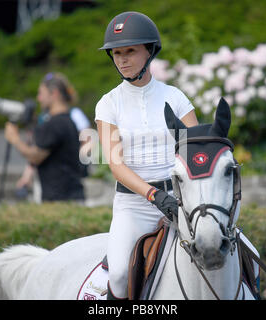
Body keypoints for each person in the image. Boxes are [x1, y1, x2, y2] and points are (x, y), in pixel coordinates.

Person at [95, 11, 198, 300]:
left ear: (150, 51)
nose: (123, 59)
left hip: (181, 200)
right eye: (116, 53)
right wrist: (153, 195)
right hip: (134, 205)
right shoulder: (108, 104)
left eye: (130, 51)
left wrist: (185, 193)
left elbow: (195, 149)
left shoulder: (175, 97)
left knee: (236, 250)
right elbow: (117, 165)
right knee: (117, 276)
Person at [5, 72, 85, 202]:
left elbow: (35, 156)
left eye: (41, 93)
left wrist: (14, 138)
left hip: (60, 199)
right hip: (71, 196)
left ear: (54, 93)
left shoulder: (55, 123)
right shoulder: (67, 120)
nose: (38, 98)